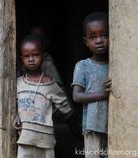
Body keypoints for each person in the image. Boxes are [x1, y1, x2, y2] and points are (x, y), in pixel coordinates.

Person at [13, 35, 73, 158]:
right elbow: (13, 104)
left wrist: (47, 112)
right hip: (25, 141)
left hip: (46, 142)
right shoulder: (17, 83)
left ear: (44, 57)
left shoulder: (50, 84)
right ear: (21, 59)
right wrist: (17, 114)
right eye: (26, 56)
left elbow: (66, 109)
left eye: (35, 55)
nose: (31, 59)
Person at [71, 12, 112, 158]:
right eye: (93, 37)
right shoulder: (83, 66)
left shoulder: (118, 65)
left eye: (104, 35)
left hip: (114, 125)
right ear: (86, 42)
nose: (99, 40)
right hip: (93, 127)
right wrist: (103, 94)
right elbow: (76, 96)